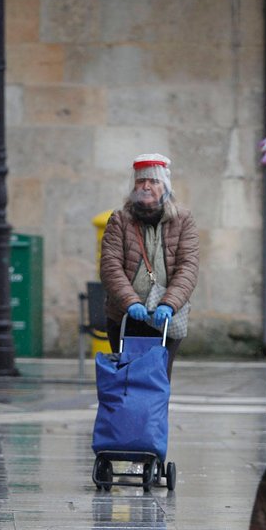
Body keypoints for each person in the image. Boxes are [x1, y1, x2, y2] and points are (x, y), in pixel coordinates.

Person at [99, 153, 199, 380]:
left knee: (159, 378)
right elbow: (110, 266)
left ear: (165, 186)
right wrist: (130, 302)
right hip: (125, 316)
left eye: (153, 181)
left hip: (167, 318)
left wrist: (170, 304)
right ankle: (128, 417)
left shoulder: (183, 219)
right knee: (127, 378)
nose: (146, 187)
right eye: (140, 181)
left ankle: (154, 417)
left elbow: (188, 267)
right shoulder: (120, 219)